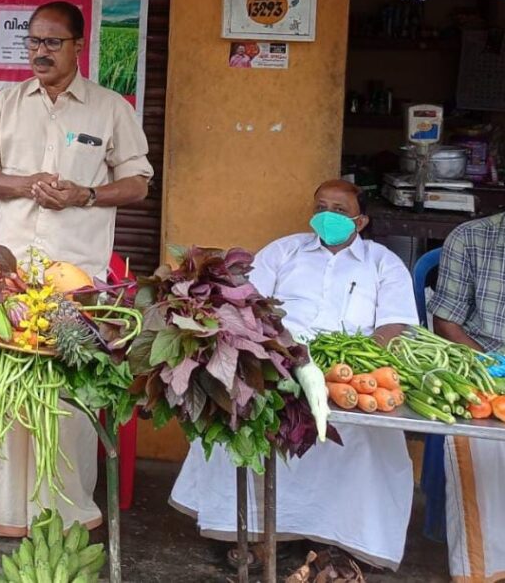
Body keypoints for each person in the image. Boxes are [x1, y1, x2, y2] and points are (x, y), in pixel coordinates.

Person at [0, 1, 153, 536]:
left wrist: (85, 193)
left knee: (68, 401)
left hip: (77, 278)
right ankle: (3, 514)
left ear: (78, 46)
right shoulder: (5, 103)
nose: (40, 52)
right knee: (4, 390)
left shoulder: (110, 108)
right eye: (33, 42)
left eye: (52, 42)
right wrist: (27, 184)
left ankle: (65, 516)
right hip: (10, 275)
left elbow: (138, 183)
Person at [171, 180, 420, 571]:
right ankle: (250, 534)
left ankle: (343, 541)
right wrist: (271, 348)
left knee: (368, 441)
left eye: (339, 210)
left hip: (350, 371)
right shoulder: (284, 250)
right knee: (239, 420)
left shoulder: (382, 262)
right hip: (279, 360)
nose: (328, 216)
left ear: (362, 220)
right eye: (321, 206)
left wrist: (355, 362)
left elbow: (396, 325)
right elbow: (250, 306)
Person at [427, 213, 505, 582]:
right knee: (483, 441)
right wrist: (490, 366)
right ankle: (486, 571)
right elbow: (446, 322)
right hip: (482, 366)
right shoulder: (472, 238)